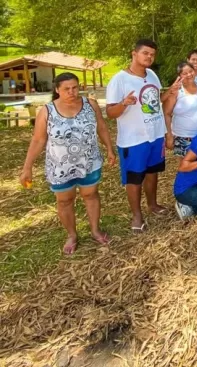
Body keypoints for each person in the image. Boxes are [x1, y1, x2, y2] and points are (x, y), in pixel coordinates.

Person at [20, 72, 116, 255]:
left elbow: (101, 127)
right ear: (57, 90)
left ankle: (95, 230)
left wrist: (110, 149)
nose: (72, 92)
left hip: (89, 161)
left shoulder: (90, 105)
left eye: (75, 87)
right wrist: (27, 167)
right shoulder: (47, 111)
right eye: (66, 89)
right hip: (60, 166)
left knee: (91, 195)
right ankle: (72, 235)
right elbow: (38, 140)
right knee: (64, 200)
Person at [106, 39, 173, 233]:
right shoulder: (119, 79)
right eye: (145, 53)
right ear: (134, 54)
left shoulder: (152, 75)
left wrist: (170, 93)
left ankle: (152, 204)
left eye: (152, 54)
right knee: (134, 178)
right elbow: (110, 113)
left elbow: (154, 100)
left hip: (155, 134)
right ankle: (136, 215)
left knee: (153, 172)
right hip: (133, 139)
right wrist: (124, 103)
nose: (149, 57)